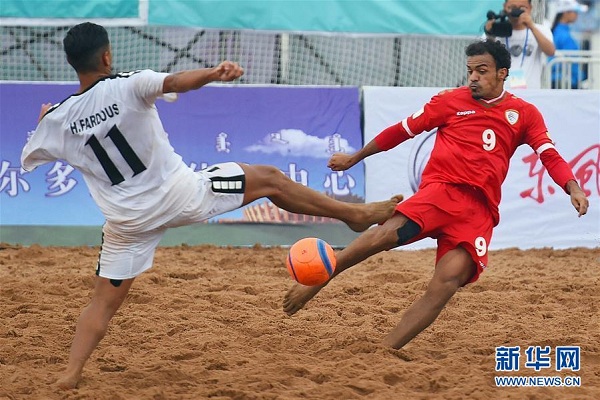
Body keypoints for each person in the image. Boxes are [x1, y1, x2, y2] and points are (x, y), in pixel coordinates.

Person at [21, 22, 402, 389]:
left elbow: (33, 153)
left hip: (128, 223)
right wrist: (215, 72)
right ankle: (353, 214)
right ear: (106, 57)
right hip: (180, 196)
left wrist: (46, 120)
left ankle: (71, 373)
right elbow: (175, 82)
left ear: (72, 63)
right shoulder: (127, 84)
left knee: (102, 303)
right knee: (269, 178)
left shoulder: (56, 121)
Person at [283, 39, 589, 351]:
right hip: (442, 191)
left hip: (479, 212)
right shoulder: (449, 101)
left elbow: (549, 154)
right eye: (470, 70)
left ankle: (386, 350)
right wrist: (355, 157)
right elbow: (401, 130)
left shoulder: (524, 114)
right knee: (385, 235)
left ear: (502, 73)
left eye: (481, 71)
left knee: (446, 283)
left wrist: (573, 187)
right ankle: (323, 275)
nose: (473, 77)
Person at [484, 0, 556, 89]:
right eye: (512, 7)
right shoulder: (496, 30)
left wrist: (532, 27)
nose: (517, 12)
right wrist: (489, 33)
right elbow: (484, 56)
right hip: (502, 91)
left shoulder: (541, 30)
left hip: (530, 91)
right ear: (505, 7)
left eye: (522, 8)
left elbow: (550, 52)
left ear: (530, 8)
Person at [550, 0, 589, 88]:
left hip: (563, 80)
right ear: (565, 13)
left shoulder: (558, 32)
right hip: (566, 82)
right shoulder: (563, 35)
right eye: (574, 12)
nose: (577, 15)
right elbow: (571, 61)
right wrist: (580, 77)